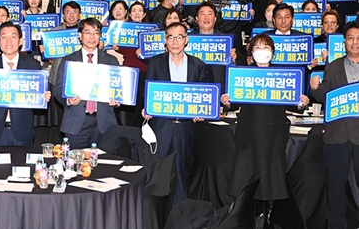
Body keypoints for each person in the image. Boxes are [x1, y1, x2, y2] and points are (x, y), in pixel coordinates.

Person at [222, 33, 309, 223]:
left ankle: (268, 218)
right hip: (249, 133)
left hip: (273, 134)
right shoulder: (243, 74)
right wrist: (227, 102)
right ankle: (246, 218)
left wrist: (302, 103)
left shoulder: (284, 75)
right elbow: (235, 103)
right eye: (258, 48)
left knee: (271, 179)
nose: (262, 51)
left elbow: (294, 104)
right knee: (246, 178)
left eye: (266, 47)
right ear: (251, 52)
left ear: (273, 52)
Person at [142, 22, 207, 203]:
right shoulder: (155, 63)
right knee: (156, 175)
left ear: (186, 40)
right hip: (161, 127)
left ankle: (180, 216)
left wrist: (202, 112)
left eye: (179, 37)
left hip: (185, 129)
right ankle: (154, 218)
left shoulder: (198, 65)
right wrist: (146, 108)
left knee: (182, 176)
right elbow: (147, 93)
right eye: (171, 37)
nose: (175, 41)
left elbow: (203, 97)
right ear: (166, 40)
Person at [310, 20, 359, 229]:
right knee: (335, 185)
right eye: (350, 38)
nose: (355, 42)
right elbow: (325, 97)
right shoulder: (333, 67)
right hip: (337, 136)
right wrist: (315, 89)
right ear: (344, 42)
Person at [0, 22, 49, 146]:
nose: (8, 41)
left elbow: (38, 96)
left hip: (22, 131)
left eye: (13, 36)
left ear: (21, 41)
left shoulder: (33, 66)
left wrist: (44, 96)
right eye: (4, 37)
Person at [53, 18, 119, 149]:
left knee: (104, 165)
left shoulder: (111, 61)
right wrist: (68, 101)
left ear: (100, 36)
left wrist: (117, 100)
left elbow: (118, 89)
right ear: (80, 35)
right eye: (88, 32)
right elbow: (58, 89)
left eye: (96, 33)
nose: (92, 37)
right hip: (76, 121)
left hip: (104, 121)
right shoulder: (68, 60)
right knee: (75, 164)